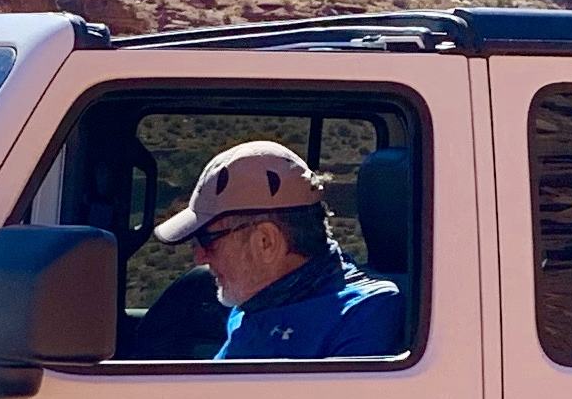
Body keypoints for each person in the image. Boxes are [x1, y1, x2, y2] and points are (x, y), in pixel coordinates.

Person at [155, 140, 404, 361]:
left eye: (207, 240)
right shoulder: (255, 302)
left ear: (266, 242)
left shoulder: (365, 314)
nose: (200, 256)